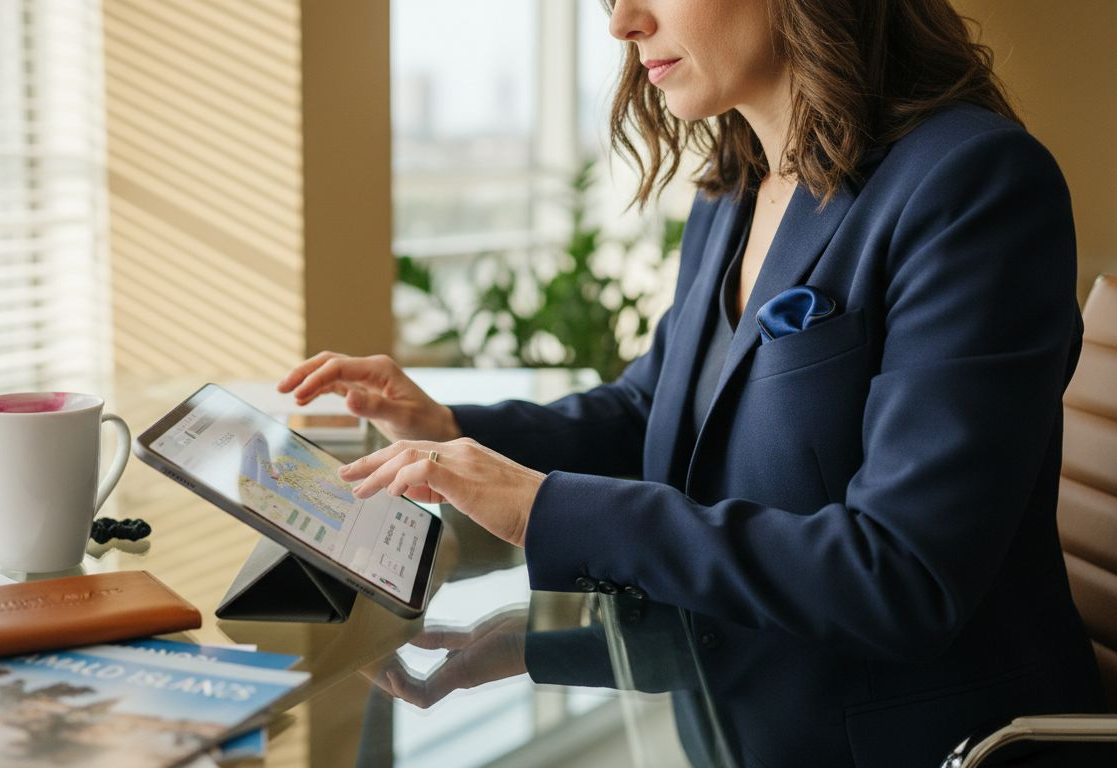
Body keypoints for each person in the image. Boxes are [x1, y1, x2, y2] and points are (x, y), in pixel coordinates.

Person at [280, 0, 1108, 765]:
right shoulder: (735, 189)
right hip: (725, 717)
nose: (623, 23)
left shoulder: (974, 183)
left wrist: (541, 509)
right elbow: (654, 411)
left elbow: (901, 575)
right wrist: (450, 431)